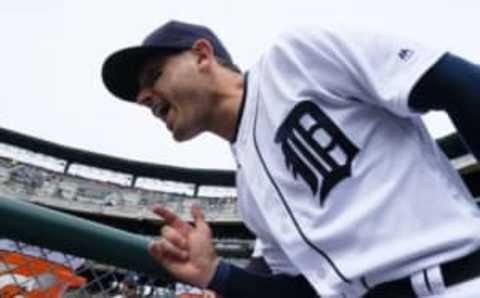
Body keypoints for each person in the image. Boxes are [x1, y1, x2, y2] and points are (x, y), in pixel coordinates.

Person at [101, 20, 480, 297]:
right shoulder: (250, 192)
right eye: (141, 93)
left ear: (203, 56)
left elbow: (457, 83)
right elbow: (303, 293)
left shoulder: (294, 61)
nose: (144, 97)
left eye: (155, 75)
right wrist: (214, 273)